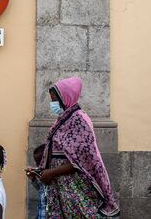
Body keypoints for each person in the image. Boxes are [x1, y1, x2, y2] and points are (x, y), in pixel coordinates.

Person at [39, 76, 120, 218]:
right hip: (60, 186)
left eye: (54, 99)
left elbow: (81, 160)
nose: (52, 103)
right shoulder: (63, 120)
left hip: (74, 186)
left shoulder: (79, 120)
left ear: (65, 98)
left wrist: (51, 173)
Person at [26, 144, 47, 219]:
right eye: (36, 163)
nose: (38, 166)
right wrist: (33, 179)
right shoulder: (44, 178)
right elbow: (41, 190)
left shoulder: (54, 180)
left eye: (40, 162)